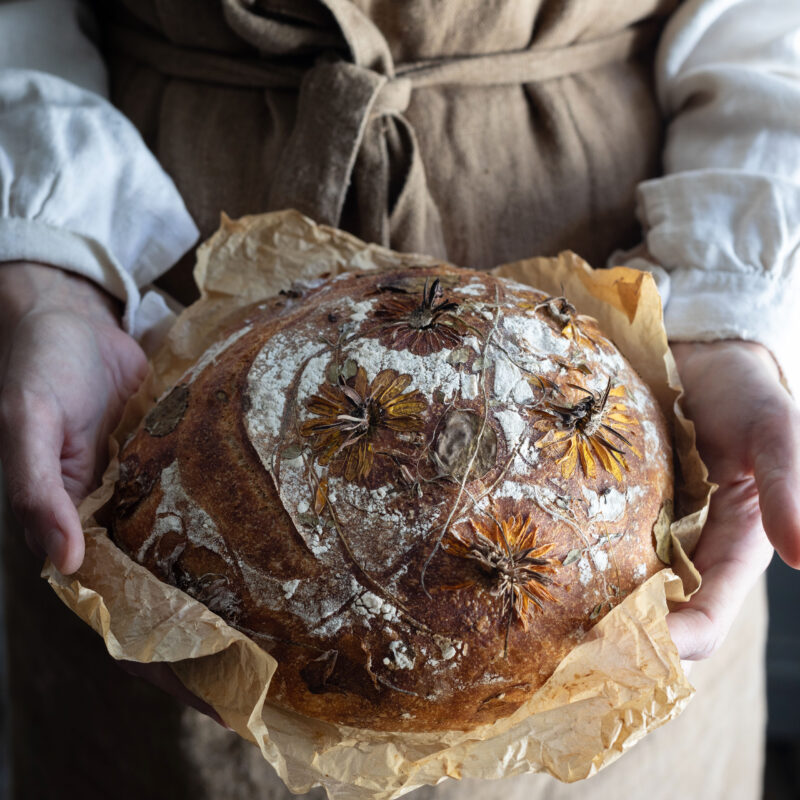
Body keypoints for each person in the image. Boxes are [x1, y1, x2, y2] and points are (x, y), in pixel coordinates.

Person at [0, 0, 798, 798]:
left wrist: (727, 314)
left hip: (641, 293)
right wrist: (52, 268)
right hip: (141, 295)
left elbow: (766, 27)